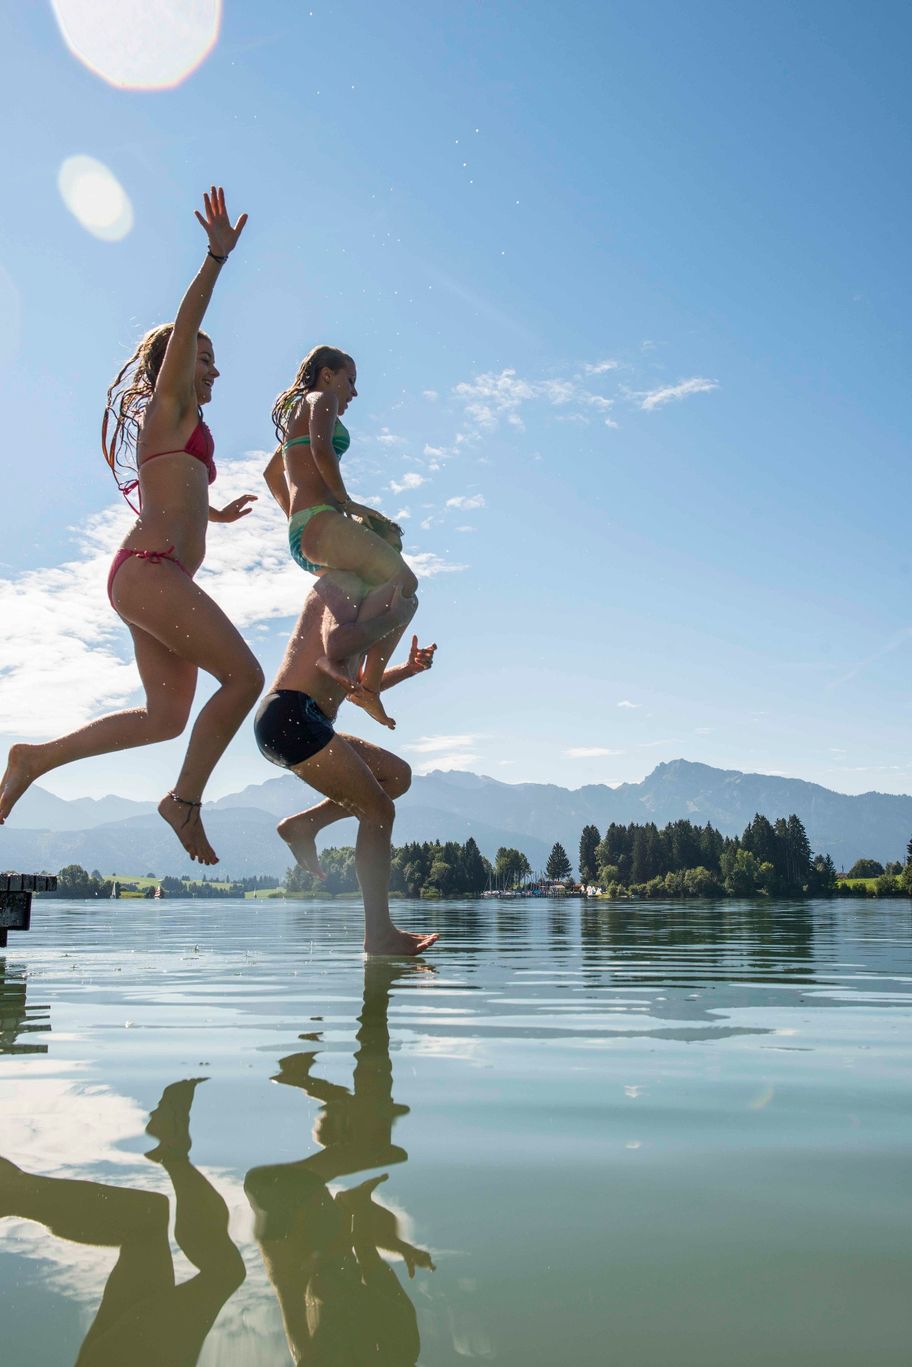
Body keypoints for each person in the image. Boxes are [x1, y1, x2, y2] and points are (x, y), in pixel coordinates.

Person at [0, 188, 264, 865]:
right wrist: (214, 259)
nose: (213, 367)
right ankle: (184, 802)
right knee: (243, 676)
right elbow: (187, 322)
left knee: (167, 717)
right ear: (173, 365)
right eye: (203, 358)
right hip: (149, 572)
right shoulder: (168, 403)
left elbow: (173, 493)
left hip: (151, 575)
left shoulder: (185, 428)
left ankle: (33, 759)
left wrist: (215, 512)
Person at [253, 570, 438, 956]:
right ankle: (380, 934)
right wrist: (395, 618)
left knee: (396, 776)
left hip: (309, 718)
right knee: (378, 812)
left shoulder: (361, 598)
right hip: (291, 715)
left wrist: (408, 669)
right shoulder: (340, 583)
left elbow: (352, 685)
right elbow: (335, 647)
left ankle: (305, 824)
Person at [263, 346, 418, 730]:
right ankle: (363, 680)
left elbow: (271, 474)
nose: (353, 392)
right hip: (320, 524)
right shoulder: (321, 398)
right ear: (327, 374)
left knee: (374, 587)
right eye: (350, 380)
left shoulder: (296, 412)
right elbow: (320, 449)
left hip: (307, 532)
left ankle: (351, 664)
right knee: (406, 584)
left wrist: (298, 518)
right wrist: (344, 503)